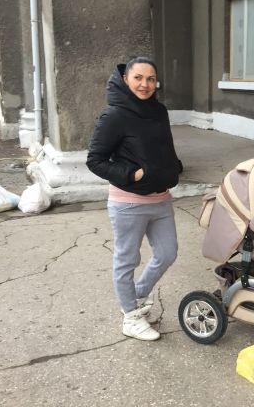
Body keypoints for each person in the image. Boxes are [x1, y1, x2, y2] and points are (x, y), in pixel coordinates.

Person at [87, 57, 183, 340]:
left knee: (167, 253)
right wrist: (133, 174)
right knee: (127, 259)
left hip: (161, 199)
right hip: (129, 202)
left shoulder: (159, 111)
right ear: (125, 79)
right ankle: (130, 317)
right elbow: (95, 160)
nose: (145, 84)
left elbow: (165, 146)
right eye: (138, 78)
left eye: (151, 79)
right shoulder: (114, 115)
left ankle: (136, 295)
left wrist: (174, 166)